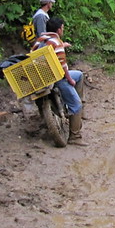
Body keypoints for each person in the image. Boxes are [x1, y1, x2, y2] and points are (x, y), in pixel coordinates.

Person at [32, 16, 87, 146]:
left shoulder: (39, 41)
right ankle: (75, 136)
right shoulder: (56, 42)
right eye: (62, 28)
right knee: (76, 102)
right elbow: (63, 66)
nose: (63, 30)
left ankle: (75, 109)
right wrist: (69, 80)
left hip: (42, 78)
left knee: (78, 74)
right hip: (57, 78)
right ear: (58, 29)